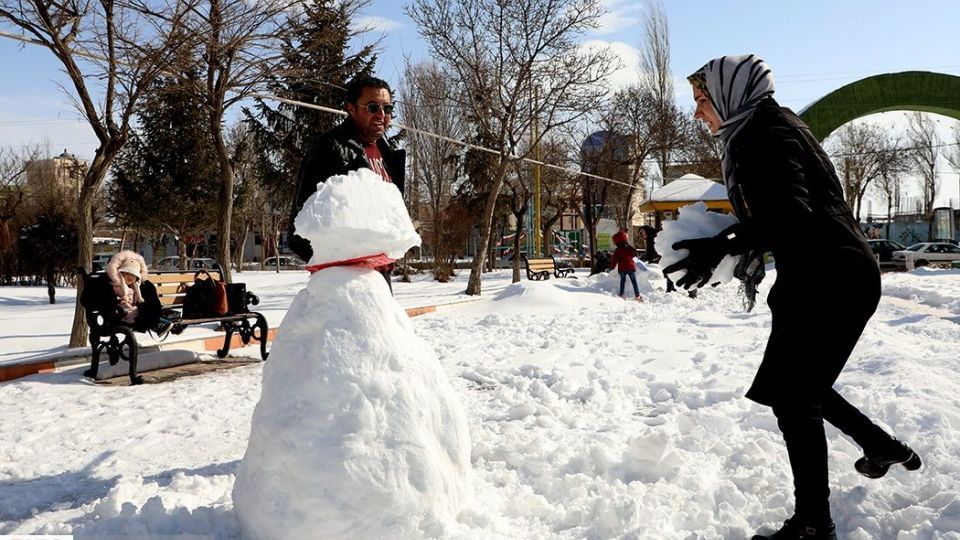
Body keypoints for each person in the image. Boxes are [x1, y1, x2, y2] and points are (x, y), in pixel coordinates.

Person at [665, 55, 920, 540]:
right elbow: (782, 211)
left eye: (703, 100)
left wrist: (723, 244)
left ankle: (812, 525)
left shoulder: (765, 132)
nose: (698, 112)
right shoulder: (762, 128)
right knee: (798, 385)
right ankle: (880, 446)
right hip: (822, 274)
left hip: (831, 277)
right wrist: (726, 242)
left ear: (731, 95)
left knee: (795, 396)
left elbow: (791, 214)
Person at [288, 75, 406, 292]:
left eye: (387, 108)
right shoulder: (330, 149)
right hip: (346, 282)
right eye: (372, 107)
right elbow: (299, 226)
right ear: (351, 109)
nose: (381, 115)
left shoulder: (389, 153)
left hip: (382, 275)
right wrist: (336, 269)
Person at [106, 251, 170, 336]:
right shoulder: (116, 285)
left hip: (134, 309)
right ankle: (157, 323)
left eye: (133, 276)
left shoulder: (138, 285)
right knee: (137, 311)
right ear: (121, 274)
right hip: (121, 311)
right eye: (127, 274)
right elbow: (111, 298)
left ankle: (159, 323)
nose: (130, 277)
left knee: (144, 310)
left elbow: (149, 301)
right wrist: (119, 301)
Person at [608, 231, 642, 300]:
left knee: (622, 281)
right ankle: (637, 295)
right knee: (634, 281)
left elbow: (614, 261)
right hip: (630, 267)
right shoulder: (628, 248)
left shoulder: (617, 250)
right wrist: (628, 245)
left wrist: (611, 267)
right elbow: (634, 252)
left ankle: (622, 294)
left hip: (622, 269)